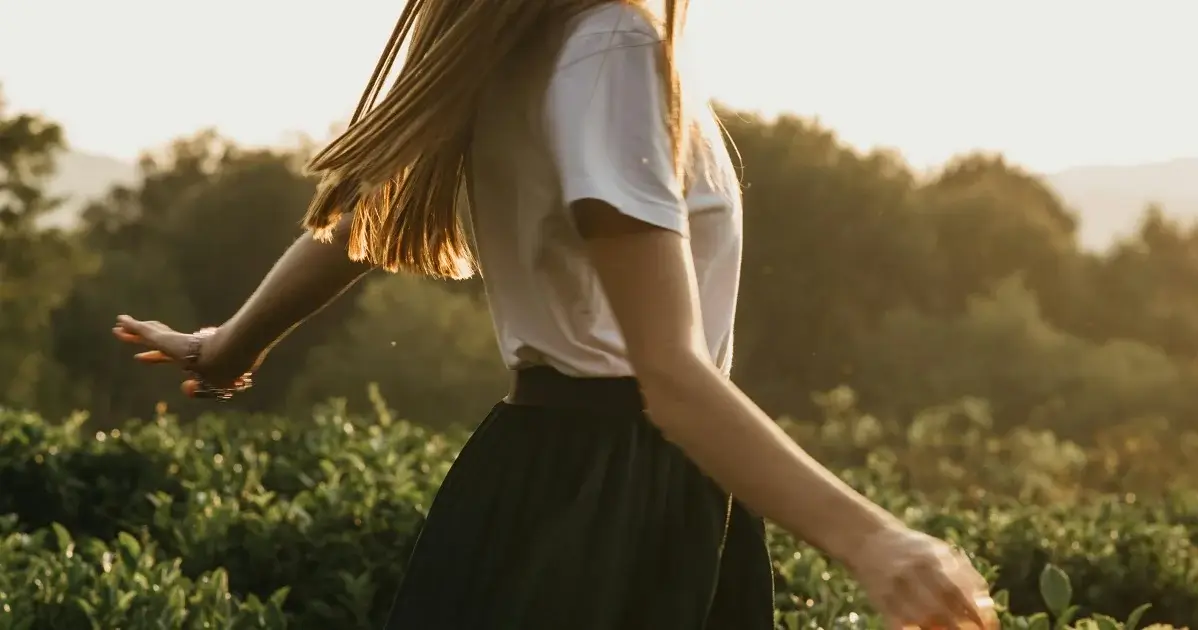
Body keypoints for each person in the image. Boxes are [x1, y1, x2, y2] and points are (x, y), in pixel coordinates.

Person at [112, 0, 999, 628]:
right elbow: (673, 380)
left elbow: (362, 220)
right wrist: (877, 543)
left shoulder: (526, 42)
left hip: (539, 477)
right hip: (626, 498)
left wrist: (231, 345)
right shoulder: (611, 47)